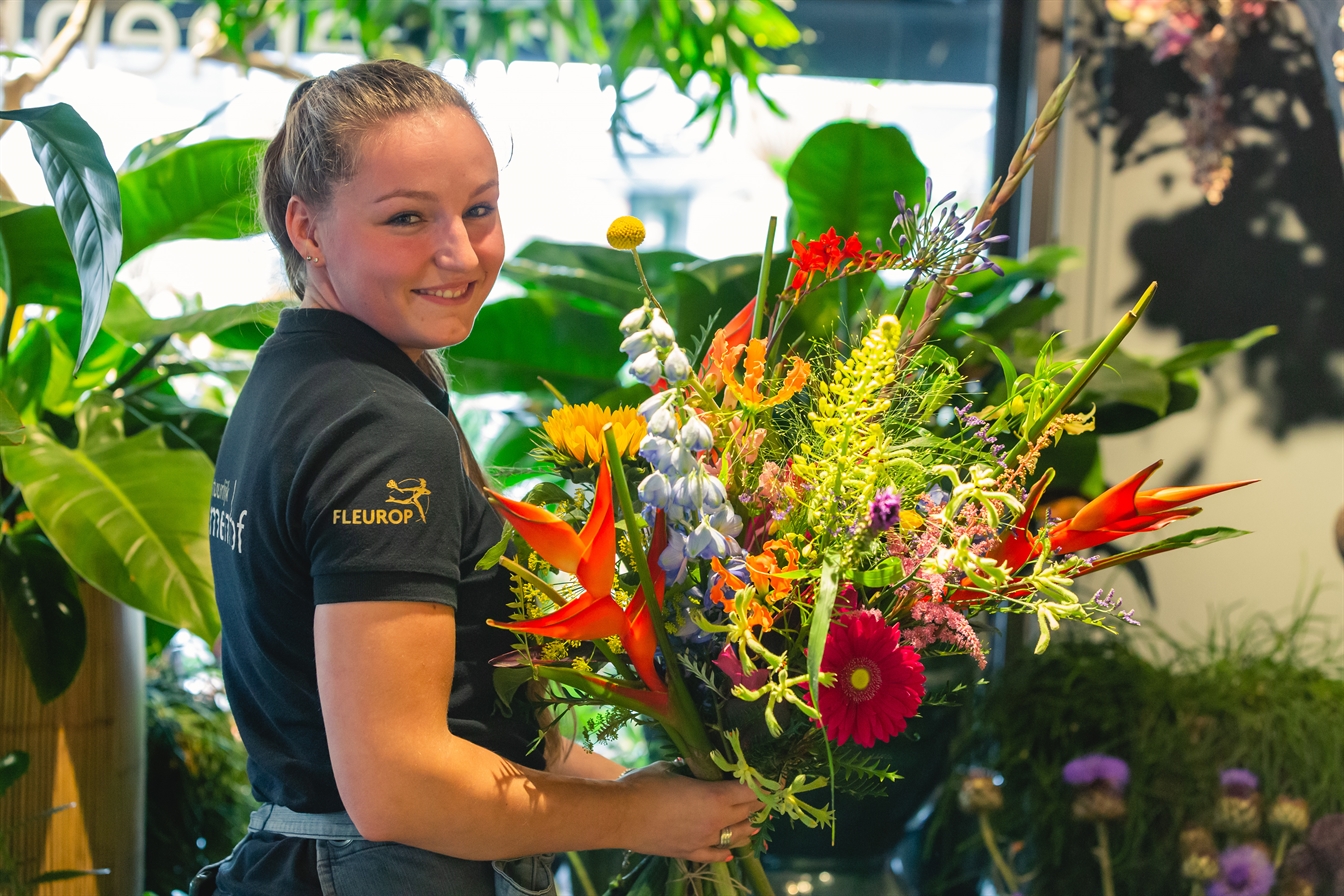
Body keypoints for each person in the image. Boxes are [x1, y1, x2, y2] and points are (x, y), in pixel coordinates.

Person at [202, 59, 761, 896]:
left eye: (479, 209)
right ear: (307, 230)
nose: (460, 252)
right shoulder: (378, 427)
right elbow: (401, 786)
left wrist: (679, 800)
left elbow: (463, 721)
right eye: (406, 219)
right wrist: (642, 817)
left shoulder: (297, 377)